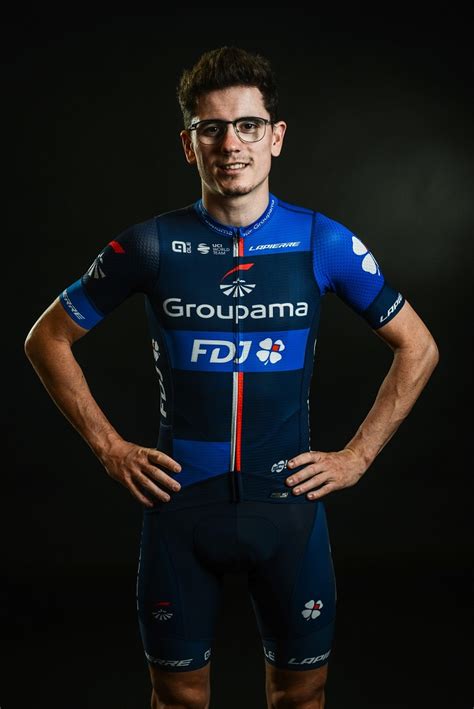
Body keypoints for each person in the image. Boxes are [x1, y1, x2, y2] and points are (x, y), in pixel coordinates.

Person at [24, 45, 439, 709]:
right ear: (188, 144)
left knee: (302, 698)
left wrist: (358, 455)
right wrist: (110, 447)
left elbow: (418, 348)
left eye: (248, 125)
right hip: (182, 511)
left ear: (276, 137)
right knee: (179, 700)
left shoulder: (322, 242)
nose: (230, 144)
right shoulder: (150, 245)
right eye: (211, 128)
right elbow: (46, 338)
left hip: (288, 511)